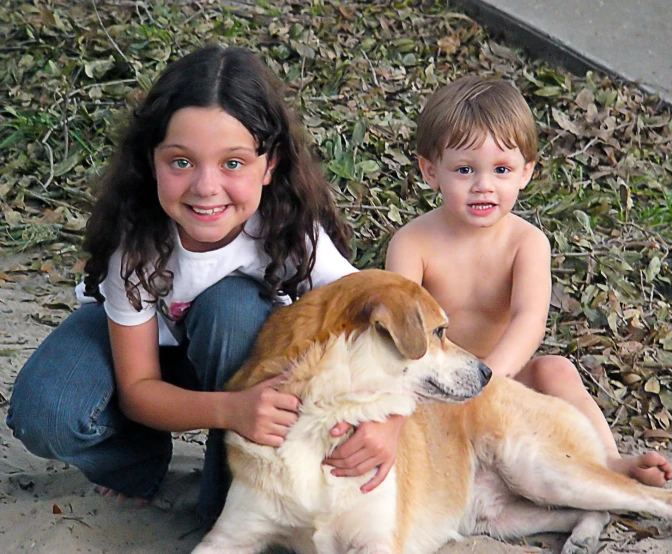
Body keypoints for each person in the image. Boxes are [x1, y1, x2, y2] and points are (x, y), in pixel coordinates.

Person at [6, 45, 403, 525]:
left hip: (239, 363)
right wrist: (229, 409)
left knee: (231, 306)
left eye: (233, 163)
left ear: (270, 164)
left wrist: (393, 421)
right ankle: (137, 461)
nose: (206, 186)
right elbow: (138, 387)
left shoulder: (290, 230)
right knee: (44, 412)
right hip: (146, 357)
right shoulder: (137, 244)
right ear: (151, 161)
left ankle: (225, 496)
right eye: (181, 162)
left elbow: (384, 312)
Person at [386, 76, 672, 487]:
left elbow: (528, 320)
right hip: (439, 382)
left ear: (526, 173)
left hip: (505, 377)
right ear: (431, 172)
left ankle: (607, 459)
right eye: (465, 169)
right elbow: (404, 327)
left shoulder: (527, 243)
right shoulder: (413, 243)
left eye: (501, 170)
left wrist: (492, 378)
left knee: (556, 370)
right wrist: (450, 385)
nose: (484, 185)